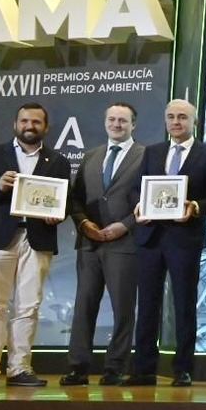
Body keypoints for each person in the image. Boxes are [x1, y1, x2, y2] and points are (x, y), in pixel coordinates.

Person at [129, 99, 206, 387]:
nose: (176, 122)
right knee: (146, 304)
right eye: (170, 116)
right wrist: (138, 207)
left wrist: (195, 206)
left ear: (194, 121)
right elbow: (137, 189)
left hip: (185, 238)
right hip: (150, 236)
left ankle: (183, 368)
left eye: (182, 117)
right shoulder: (153, 152)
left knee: (183, 304)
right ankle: (143, 368)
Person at [0, 102, 72, 387]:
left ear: (45, 127)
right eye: (25, 121)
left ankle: (19, 368)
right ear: (15, 124)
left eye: (36, 122)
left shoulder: (57, 161)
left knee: (28, 306)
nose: (30, 126)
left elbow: (65, 202)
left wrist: (56, 216)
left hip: (37, 239)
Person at [63, 102, 145, 386]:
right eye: (112, 119)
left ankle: (114, 367)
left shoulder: (146, 156)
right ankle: (78, 367)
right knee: (84, 306)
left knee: (123, 308)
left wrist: (125, 225)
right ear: (105, 122)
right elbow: (74, 199)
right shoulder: (91, 156)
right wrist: (85, 224)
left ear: (134, 124)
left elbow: (151, 200)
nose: (116, 124)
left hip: (126, 243)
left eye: (123, 120)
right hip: (90, 244)